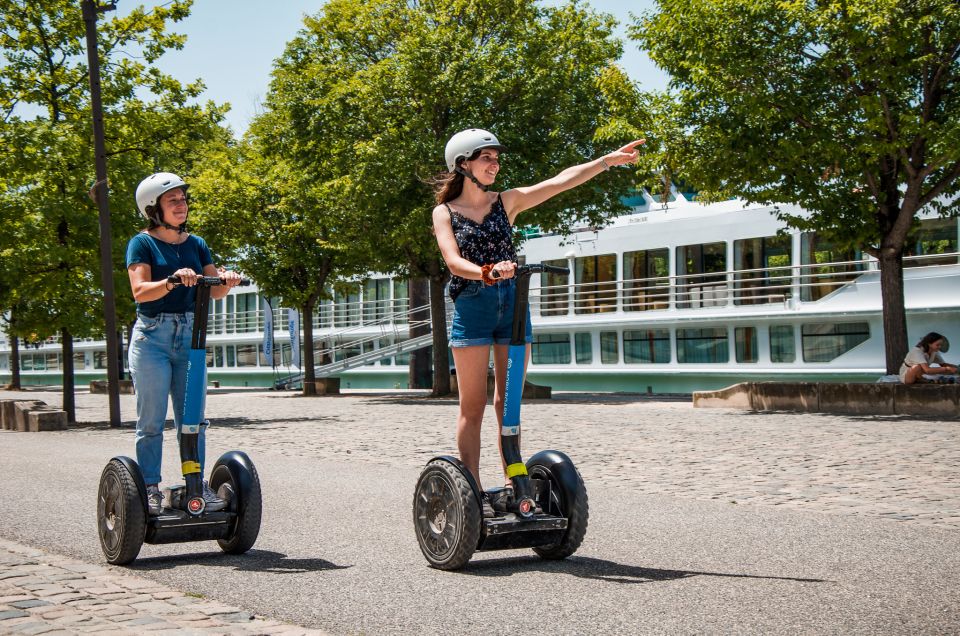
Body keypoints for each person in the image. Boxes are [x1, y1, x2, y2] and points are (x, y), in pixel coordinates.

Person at [431, 128, 644, 512]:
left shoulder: (506, 202)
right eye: (486, 158)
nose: (495, 164)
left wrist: (606, 162)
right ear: (463, 164)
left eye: (497, 158)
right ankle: (473, 493)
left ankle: (516, 482)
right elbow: (451, 261)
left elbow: (559, 182)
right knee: (473, 405)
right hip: (473, 307)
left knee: (507, 403)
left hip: (512, 304)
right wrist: (487, 272)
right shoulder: (445, 212)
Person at [126, 172, 242, 515]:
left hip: (191, 336)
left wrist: (228, 280)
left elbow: (215, 289)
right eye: (172, 200)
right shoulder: (142, 243)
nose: (181, 205)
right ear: (154, 208)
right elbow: (140, 291)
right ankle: (149, 487)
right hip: (153, 338)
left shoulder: (197, 244)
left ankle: (195, 486)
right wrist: (173, 281)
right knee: (151, 422)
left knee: (193, 420)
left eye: (183, 199)